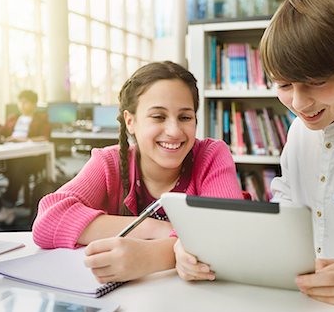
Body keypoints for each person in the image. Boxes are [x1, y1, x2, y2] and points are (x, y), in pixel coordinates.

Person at [175, 0, 334, 312]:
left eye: (317, 82)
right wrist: (191, 248)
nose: (299, 103)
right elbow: (285, 220)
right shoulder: (300, 132)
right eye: (283, 85)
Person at [32, 61, 243, 283]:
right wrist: (156, 229)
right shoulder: (108, 162)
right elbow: (47, 221)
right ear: (130, 121)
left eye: (185, 117)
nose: (174, 131)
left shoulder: (211, 155)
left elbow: (227, 233)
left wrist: (152, 257)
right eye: (158, 117)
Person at [0, 90, 51, 225]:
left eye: (26, 102)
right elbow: (0, 134)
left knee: (18, 169)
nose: (22, 105)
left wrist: (24, 140)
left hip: (31, 158)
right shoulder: (13, 118)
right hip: (9, 155)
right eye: (20, 102)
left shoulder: (41, 118)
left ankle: (8, 206)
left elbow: (45, 137)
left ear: (34, 104)